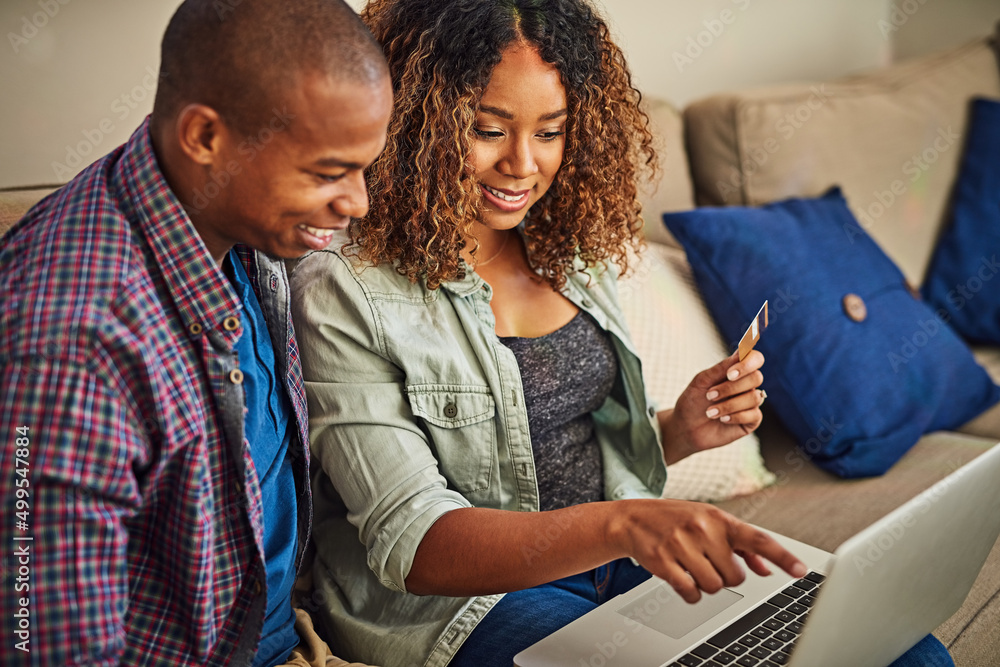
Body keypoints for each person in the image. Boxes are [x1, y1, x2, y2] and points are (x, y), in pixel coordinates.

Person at [289, 1, 954, 666]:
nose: (523, 165)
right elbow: (414, 542)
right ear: (417, 121)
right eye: (488, 130)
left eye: (549, 132)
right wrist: (623, 523)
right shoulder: (344, 289)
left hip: (616, 558)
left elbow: (575, 444)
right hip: (466, 606)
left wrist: (679, 430)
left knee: (906, 651)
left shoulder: (564, 246)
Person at [0, 1, 391, 665]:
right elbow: (45, 643)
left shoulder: (236, 218)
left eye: (363, 168)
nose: (357, 202)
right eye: (329, 173)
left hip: (292, 639)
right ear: (205, 137)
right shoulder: (71, 345)